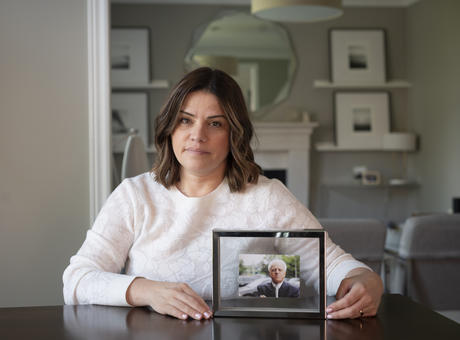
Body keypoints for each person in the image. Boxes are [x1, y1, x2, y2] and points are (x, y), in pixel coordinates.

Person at [63, 67, 383, 321]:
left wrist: (366, 282)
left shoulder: (268, 197)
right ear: (170, 128)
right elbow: (77, 279)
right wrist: (146, 290)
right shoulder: (135, 195)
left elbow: (333, 266)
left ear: (234, 134)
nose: (197, 135)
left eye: (215, 124)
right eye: (185, 120)